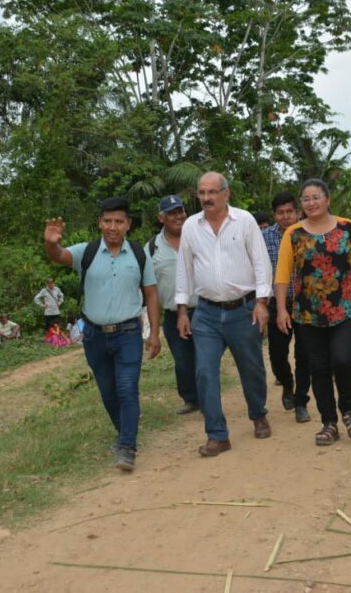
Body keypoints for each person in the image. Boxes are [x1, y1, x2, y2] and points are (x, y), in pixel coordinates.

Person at [44, 197, 161, 472]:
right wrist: (50, 243)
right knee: (108, 392)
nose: (113, 227)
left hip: (129, 333)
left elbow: (151, 294)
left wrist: (155, 333)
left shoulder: (139, 254)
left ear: (128, 224)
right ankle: (124, 433)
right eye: (107, 221)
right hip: (94, 336)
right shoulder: (87, 251)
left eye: (119, 221)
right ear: (99, 223)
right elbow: (59, 256)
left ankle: (128, 447)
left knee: (127, 389)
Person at [175, 171, 273, 457]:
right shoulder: (191, 226)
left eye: (212, 192)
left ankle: (258, 414)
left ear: (225, 193)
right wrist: (182, 310)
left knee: (251, 367)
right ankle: (217, 435)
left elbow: (261, 263)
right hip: (206, 313)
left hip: (243, 309)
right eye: (202, 193)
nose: (206, 198)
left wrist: (262, 302)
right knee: (204, 372)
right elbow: (184, 269)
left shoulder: (244, 221)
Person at [275, 179, 351, 445]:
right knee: (319, 367)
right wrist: (281, 309)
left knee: (343, 360)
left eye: (316, 197)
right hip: (308, 313)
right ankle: (329, 422)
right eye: (306, 199)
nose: (311, 203)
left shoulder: (347, 227)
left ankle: (348, 410)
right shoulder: (293, 233)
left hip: (346, 308)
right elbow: (283, 274)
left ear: (327, 199)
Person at [262, 192, 312, 422]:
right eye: (280, 213)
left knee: (304, 354)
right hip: (277, 303)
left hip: (306, 302)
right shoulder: (264, 237)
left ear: (297, 212)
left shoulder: (309, 232)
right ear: (274, 215)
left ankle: (301, 401)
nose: (285, 216)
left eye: (289, 212)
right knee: (277, 353)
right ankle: (287, 383)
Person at [148, 194, 200, 415]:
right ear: (161, 218)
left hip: (202, 310)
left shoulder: (198, 237)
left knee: (204, 359)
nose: (178, 217)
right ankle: (191, 399)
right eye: (171, 213)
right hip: (172, 314)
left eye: (180, 211)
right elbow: (149, 287)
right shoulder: (152, 248)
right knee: (183, 360)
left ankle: (208, 399)